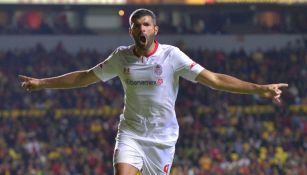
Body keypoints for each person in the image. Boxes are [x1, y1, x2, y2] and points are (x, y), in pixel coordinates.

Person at [19, 8, 288, 175]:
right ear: (131, 31)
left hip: (162, 139)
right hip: (131, 133)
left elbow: (215, 79)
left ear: (155, 29)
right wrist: (43, 83)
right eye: (137, 25)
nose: (141, 28)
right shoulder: (120, 57)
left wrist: (259, 89)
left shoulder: (173, 56)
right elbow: (86, 77)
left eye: (146, 24)